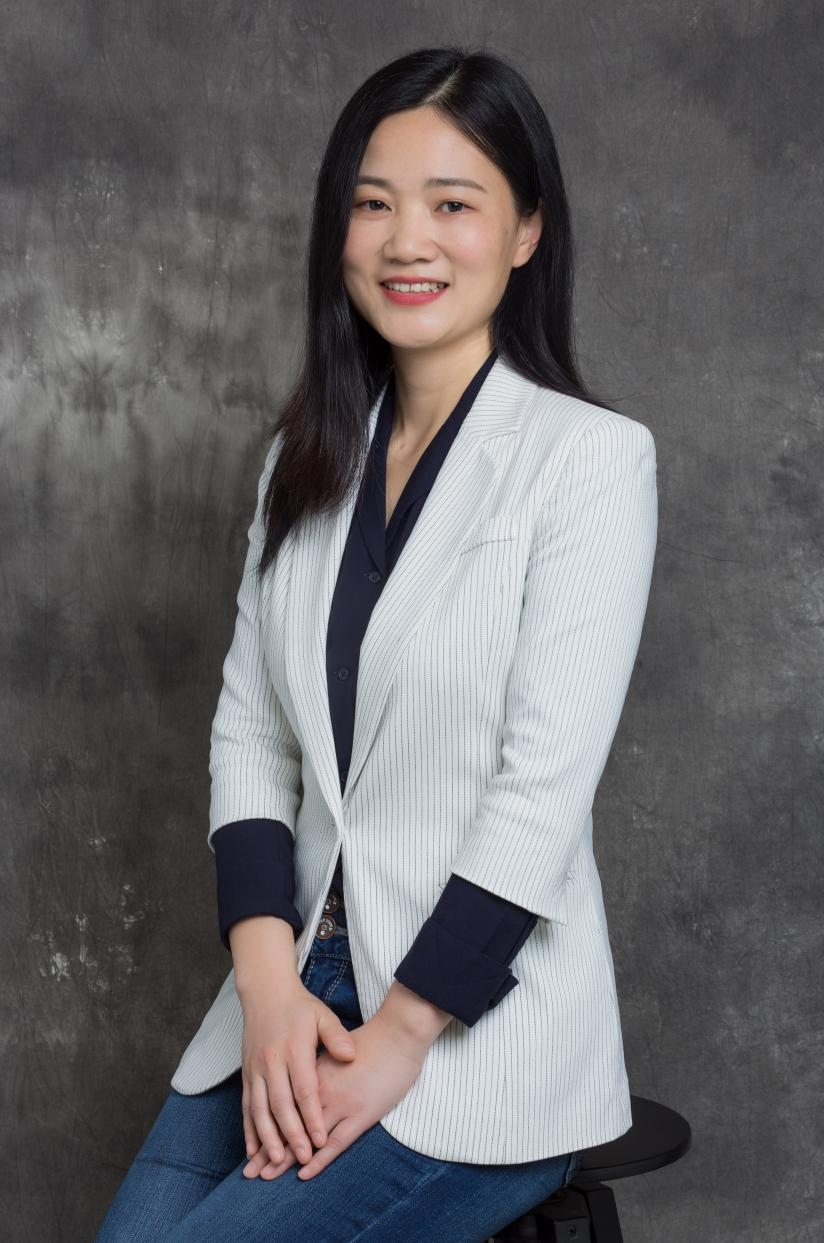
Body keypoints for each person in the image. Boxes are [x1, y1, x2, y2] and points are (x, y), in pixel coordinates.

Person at [95, 43, 658, 1243]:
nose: (408, 241)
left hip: (469, 1030)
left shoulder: (588, 461)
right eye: (372, 203)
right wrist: (266, 986)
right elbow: (250, 734)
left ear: (526, 232)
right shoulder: (305, 459)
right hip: (293, 984)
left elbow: (541, 792)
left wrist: (400, 1035)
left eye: (453, 205)